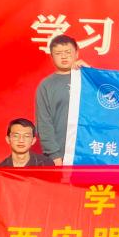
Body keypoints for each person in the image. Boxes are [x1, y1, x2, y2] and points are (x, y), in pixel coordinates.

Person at [35, 35, 85, 166]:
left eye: (68, 52)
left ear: (76, 53)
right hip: (60, 155)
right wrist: (54, 155)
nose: (63, 57)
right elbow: (44, 122)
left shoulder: (88, 80)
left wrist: (91, 72)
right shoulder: (46, 85)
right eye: (58, 53)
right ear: (51, 57)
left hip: (88, 150)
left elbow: (109, 105)